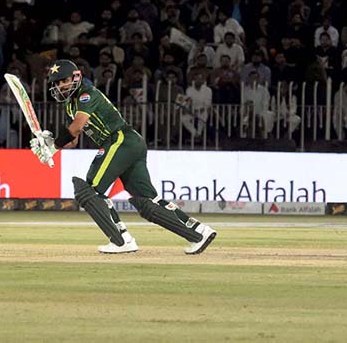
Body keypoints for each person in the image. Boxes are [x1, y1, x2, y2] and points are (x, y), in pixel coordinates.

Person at [30, 59, 217, 255]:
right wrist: (49, 142)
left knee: (91, 190)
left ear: (76, 77)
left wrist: (54, 148)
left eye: (63, 81)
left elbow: (76, 126)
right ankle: (199, 233)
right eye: (57, 83)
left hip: (119, 139)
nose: (60, 86)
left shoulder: (87, 94)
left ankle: (121, 240)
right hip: (130, 144)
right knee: (147, 201)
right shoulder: (70, 105)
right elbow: (73, 139)